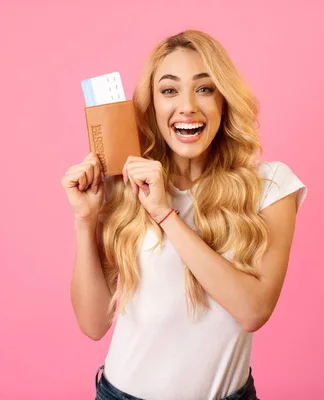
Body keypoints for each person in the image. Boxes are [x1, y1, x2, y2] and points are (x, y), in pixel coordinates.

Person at [61, 30, 308, 400]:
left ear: (224, 100)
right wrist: (86, 220)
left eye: (205, 89)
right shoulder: (127, 186)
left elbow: (253, 310)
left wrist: (165, 214)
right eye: (169, 90)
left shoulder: (271, 185)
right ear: (151, 106)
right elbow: (93, 324)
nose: (187, 106)